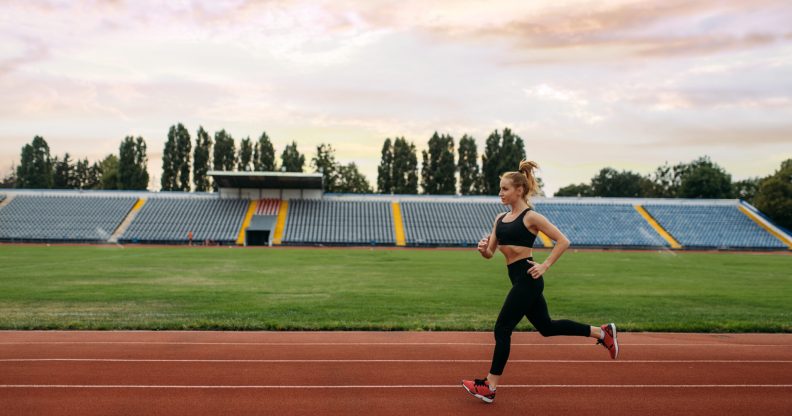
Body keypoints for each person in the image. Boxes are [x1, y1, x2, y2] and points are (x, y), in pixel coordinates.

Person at [462, 160, 618, 404]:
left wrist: (545, 265)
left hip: (528, 278)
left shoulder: (530, 217)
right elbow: (491, 253)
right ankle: (602, 332)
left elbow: (563, 241)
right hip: (517, 279)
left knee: (502, 328)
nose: (500, 193)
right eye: (500, 189)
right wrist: (482, 249)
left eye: (505, 189)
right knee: (546, 327)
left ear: (519, 190)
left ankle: (490, 385)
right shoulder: (499, 219)